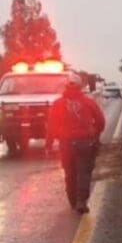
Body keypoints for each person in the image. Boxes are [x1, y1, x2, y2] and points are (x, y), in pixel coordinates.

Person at [45, 80, 107, 213]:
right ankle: (81, 201)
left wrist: (49, 144)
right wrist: (95, 135)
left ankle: (72, 200)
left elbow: (51, 126)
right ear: (81, 89)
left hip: (66, 144)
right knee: (84, 172)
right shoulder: (88, 102)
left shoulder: (58, 104)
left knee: (70, 172)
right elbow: (101, 121)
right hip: (85, 143)